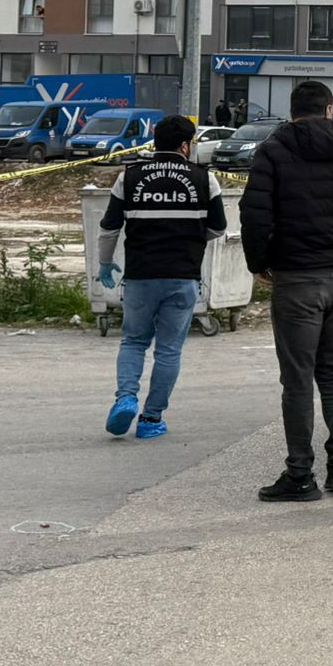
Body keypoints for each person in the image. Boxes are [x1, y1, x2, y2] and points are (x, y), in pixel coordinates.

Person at [242, 80, 333, 503]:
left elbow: (254, 215)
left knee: (297, 380)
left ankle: (300, 475)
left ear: (292, 112)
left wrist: (260, 264)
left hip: (296, 279)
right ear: (329, 109)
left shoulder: (272, 151)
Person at [96, 115, 227, 440]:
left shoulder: (129, 177)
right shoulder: (204, 179)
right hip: (182, 276)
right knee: (169, 350)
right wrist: (191, 238)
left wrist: (104, 263)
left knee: (134, 341)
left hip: (141, 276)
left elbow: (109, 227)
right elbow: (219, 228)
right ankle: (151, 419)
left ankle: (125, 397)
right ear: (185, 145)